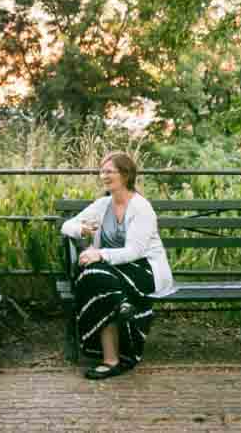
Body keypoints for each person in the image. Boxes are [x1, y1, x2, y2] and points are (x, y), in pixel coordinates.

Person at [60, 151, 175, 379]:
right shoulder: (103, 205)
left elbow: (134, 252)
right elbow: (66, 226)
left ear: (125, 175)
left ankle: (113, 358)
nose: (104, 175)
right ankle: (122, 308)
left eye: (109, 171)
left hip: (144, 269)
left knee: (94, 276)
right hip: (112, 271)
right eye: (102, 171)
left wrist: (99, 253)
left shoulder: (141, 208)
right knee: (93, 276)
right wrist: (81, 229)